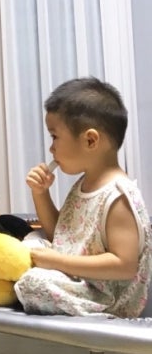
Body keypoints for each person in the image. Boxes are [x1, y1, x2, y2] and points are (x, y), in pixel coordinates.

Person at [14, 77, 152, 317]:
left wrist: (57, 262)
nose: (51, 148)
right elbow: (60, 235)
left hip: (105, 299)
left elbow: (124, 266)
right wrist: (41, 193)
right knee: (29, 243)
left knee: (33, 283)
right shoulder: (84, 184)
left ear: (90, 140)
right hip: (77, 279)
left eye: (55, 137)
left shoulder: (118, 197)